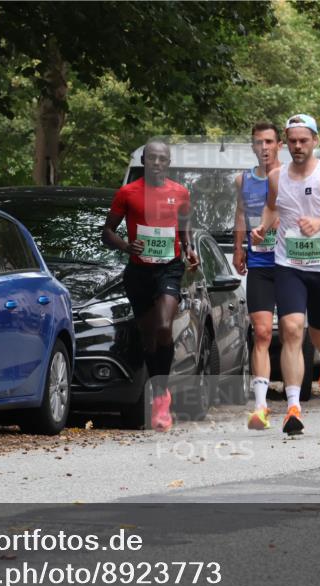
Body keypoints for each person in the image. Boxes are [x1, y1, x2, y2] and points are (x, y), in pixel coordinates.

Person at [251, 114, 320, 435]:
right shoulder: (277, 177)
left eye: (304, 140)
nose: (298, 146)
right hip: (289, 265)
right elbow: (273, 207)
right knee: (290, 329)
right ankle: (292, 407)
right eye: (292, 141)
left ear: (315, 140)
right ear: (286, 143)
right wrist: (262, 226)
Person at [102, 140, 199, 432]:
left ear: (168, 163)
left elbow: (185, 229)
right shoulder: (127, 193)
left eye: (163, 159)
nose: (157, 163)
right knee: (148, 338)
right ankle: (157, 389)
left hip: (170, 268)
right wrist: (126, 245)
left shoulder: (180, 192)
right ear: (144, 160)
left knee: (163, 327)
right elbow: (107, 232)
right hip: (139, 271)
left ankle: (161, 395)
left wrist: (191, 249)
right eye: (152, 158)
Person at [232, 121, 283, 430]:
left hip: (290, 264)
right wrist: (239, 249)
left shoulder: (291, 177)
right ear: (252, 147)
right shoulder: (243, 180)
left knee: (292, 332)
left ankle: (293, 403)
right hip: (261, 265)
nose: (263, 147)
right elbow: (241, 213)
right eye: (258, 142)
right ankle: (261, 406)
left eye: (269, 142)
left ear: (279, 145)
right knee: (262, 332)